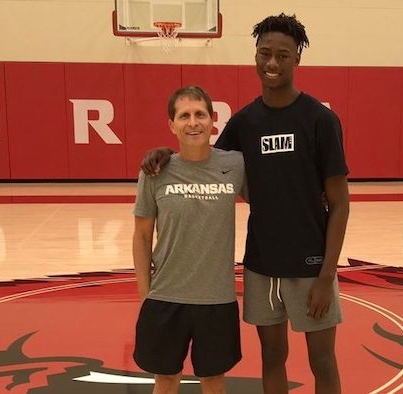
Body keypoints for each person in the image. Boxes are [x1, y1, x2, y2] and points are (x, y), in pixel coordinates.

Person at [141, 13, 349, 394]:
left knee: (322, 360)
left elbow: (340, 203)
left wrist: (326, 276)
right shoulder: (245, 123)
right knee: (272, 356)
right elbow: (203, 161)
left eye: (283, 55)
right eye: (265, 53)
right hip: (261, 265)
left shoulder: (320, 120)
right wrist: (165, 153)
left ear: (297, 59)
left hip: (311, 265)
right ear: (255, 56)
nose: (272, 63)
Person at [133, 86, 245, 394]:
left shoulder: (235, 165)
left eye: (200, 114)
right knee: (166, 381)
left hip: (217, 299)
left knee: (213, 381)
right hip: (165, 297)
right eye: (184, 116)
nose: (193, 122)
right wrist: (146, 295)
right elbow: (141, 235)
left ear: (212, 121)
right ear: (171, 124)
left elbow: (272, 195)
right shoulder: (156, 171)